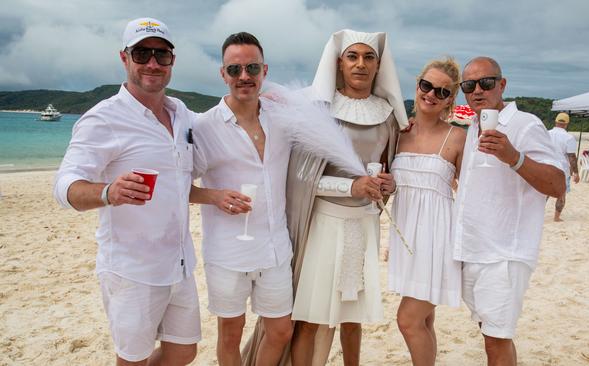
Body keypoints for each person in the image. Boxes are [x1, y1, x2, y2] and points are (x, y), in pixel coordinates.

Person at [53, 18, 199, 366]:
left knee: (184, 351)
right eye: (141, 53)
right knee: (133, 359)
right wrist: (108, 192)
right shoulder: (103, 119)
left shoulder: (183, 116)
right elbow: (64, 187)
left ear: (172, 61)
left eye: (161, 55)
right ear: (124, 58)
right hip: (132, 271)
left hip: (180, 264)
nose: (152, 63)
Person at [287, 29, 409, 366]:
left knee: (352, 318)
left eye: (368, 57)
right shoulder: (321, 109)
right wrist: (350, 187)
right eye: (352, 56)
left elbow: (387, 169)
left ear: (378, 65)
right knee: (311, 316)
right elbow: (302, 178)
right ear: (339, 63)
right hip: (323, 224)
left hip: (364, 224)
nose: (360, 64)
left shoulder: (387, 114)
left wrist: (387, 185)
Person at [189, 32, 293, 366]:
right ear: (223, 74)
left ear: (265, 70)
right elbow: (178, 185)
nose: (244, 76)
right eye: (235, 70)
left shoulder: (282, 119)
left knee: (280, 331)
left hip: (275, 247)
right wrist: (213, 195)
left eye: (252, 68)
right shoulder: (204, 126)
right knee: (231, 333)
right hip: (228, 252)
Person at [453, 56, 565, 366]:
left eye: (486, 83)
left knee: (496, 340)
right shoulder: (472, 125)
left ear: (502, 85)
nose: (478, 90)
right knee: (489, 331)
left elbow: (558, 184)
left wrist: (513, 156)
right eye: (469, 85)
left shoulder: (524, 124)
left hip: (504, 253)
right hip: (471, 250)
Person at [387, 57, 466, 365]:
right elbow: (390, 185)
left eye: (442, 92)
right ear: (417, 85)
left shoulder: (457, 137)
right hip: (407, 242)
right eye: (426, 86)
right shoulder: (396, 133)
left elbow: (472, 193)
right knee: (424, 322)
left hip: (438, 243)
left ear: (451, 99)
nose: (432, 94)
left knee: (407, 320)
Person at [548, 112, 579, 221]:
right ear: (566, 124)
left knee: (544, 193)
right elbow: (571, 157)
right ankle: (556, 217)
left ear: (556, 122)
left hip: (546, 167)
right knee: (561, 194)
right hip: (561, 170)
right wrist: (576, 173)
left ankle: (537, 215)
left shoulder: (546, 134)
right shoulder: (569, 138)